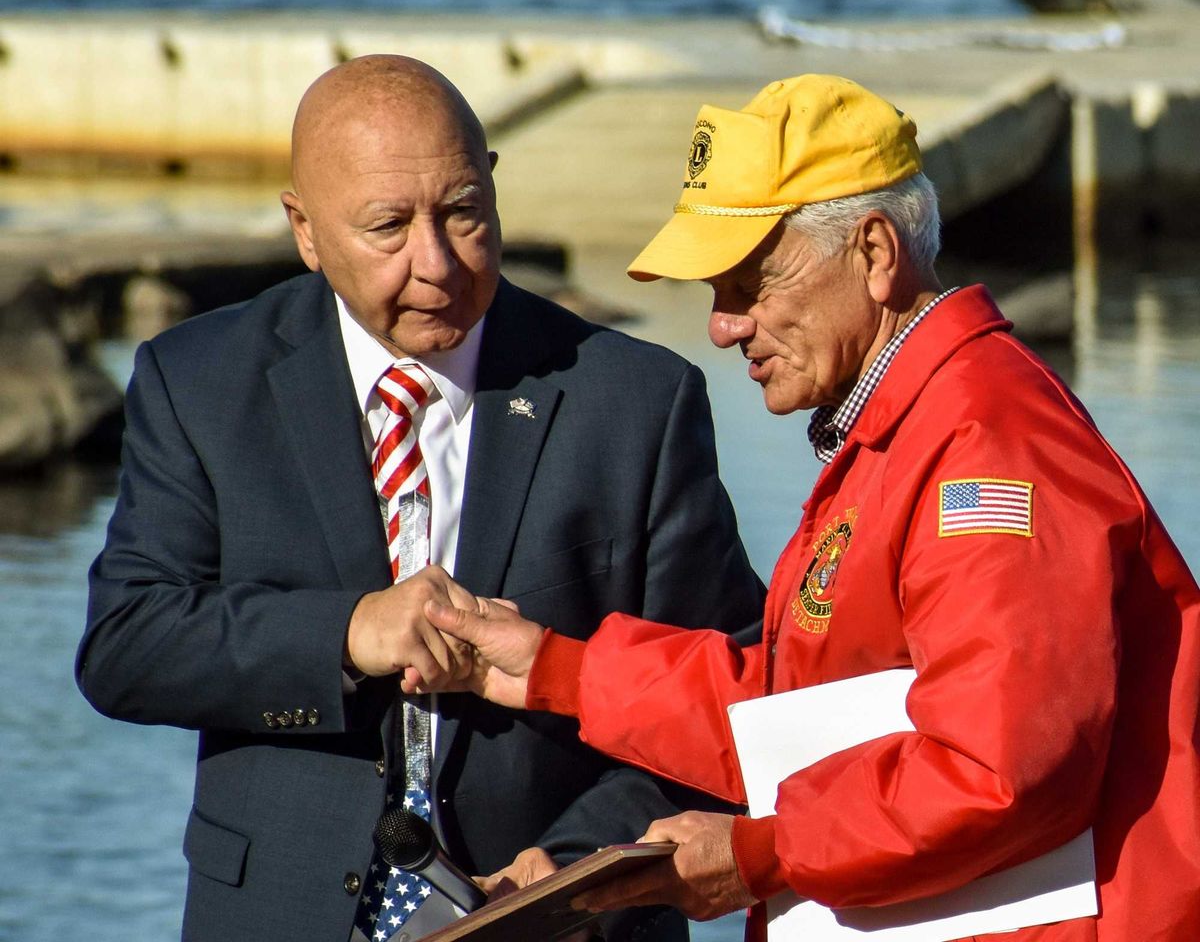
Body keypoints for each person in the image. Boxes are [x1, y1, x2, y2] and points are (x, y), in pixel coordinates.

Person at [424, 74, 1200, 941]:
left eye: (751, 283)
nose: (723, 326)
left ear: (873, 253)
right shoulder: (905, 425)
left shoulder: (986, 445)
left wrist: (762, 854)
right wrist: (550, 671)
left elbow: (1000, 770)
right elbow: (801, 709)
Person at [76, 55, 764, 942]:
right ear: (306, 230)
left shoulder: (635, 400)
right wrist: (347, 633)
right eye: (388, 227)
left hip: (563, 920)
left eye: (464, 213)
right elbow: (128, 646)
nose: (436, 263)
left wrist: (583, 862)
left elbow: (730, 689)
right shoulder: (198, 381)